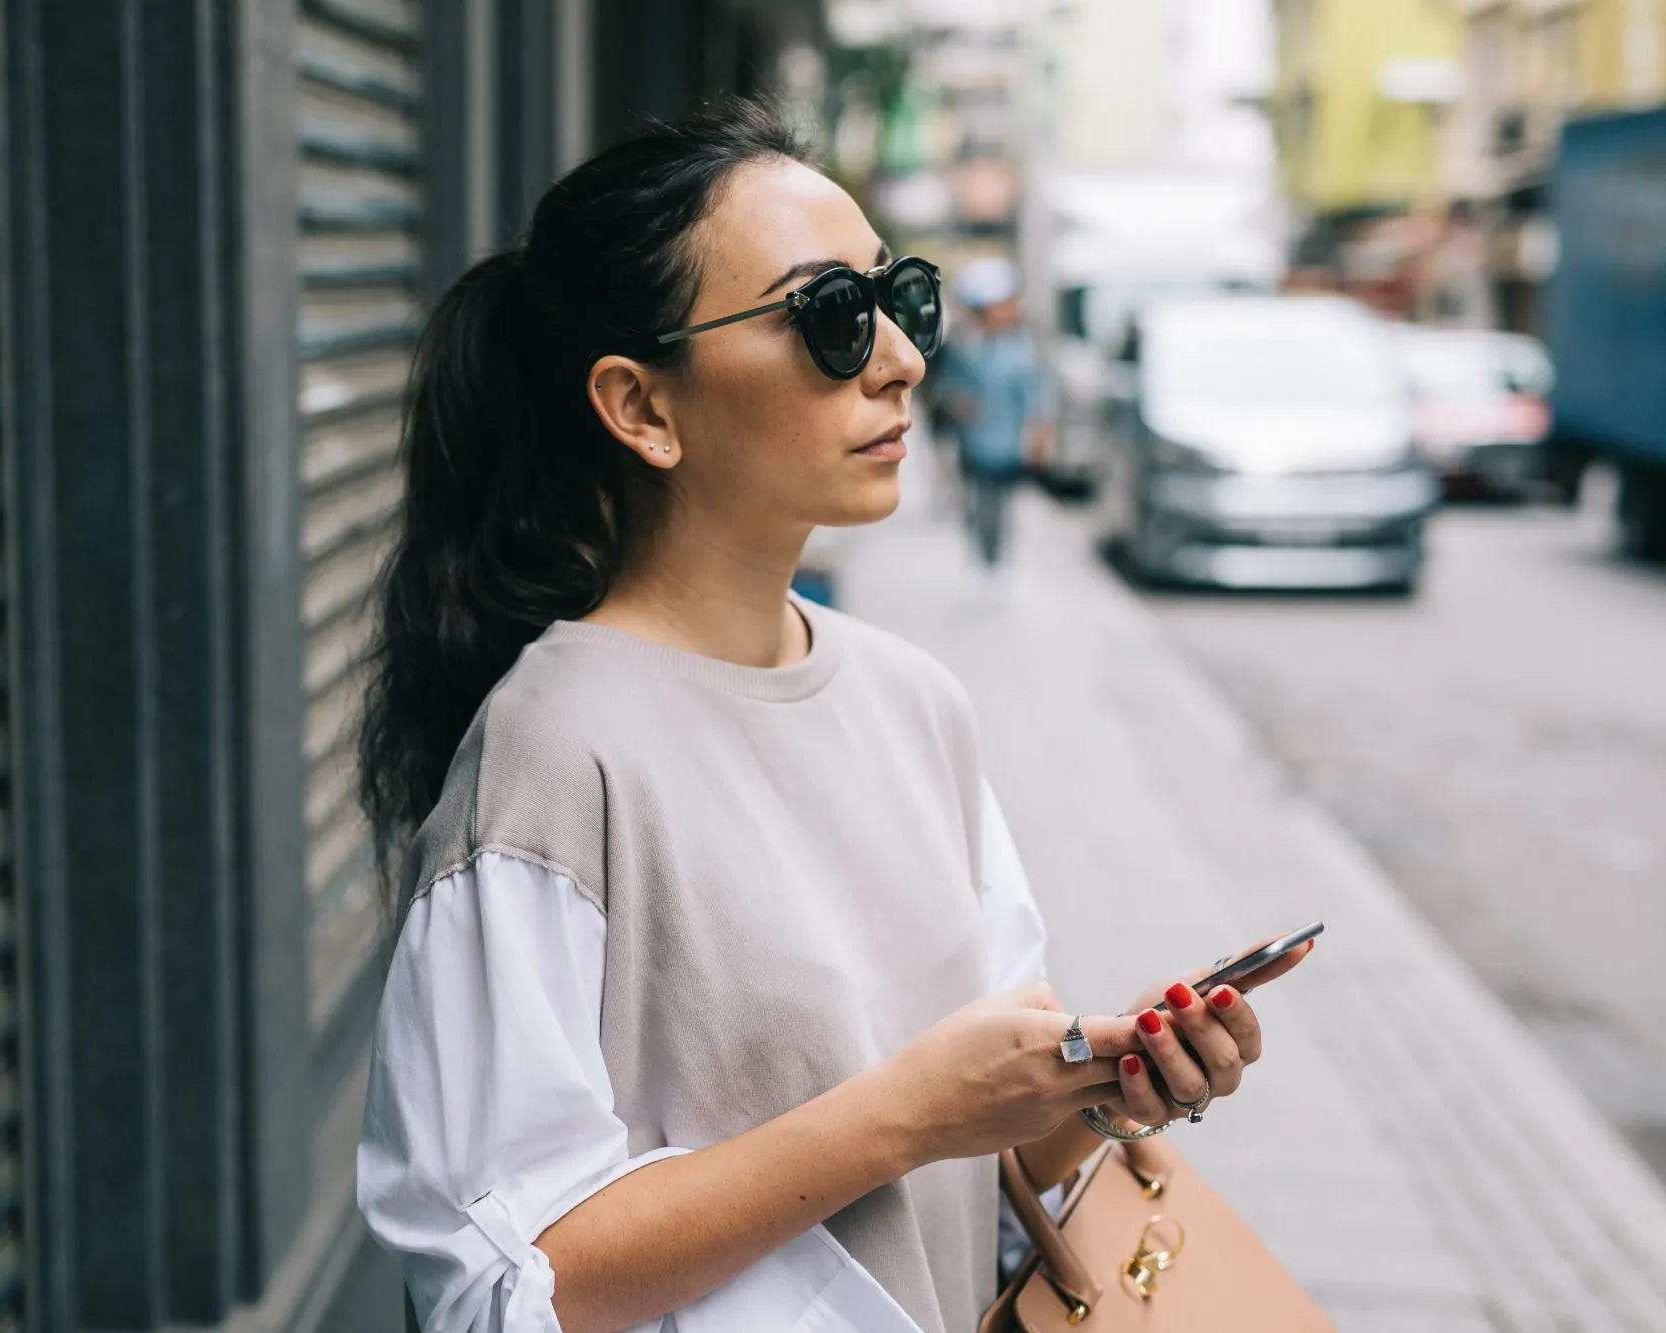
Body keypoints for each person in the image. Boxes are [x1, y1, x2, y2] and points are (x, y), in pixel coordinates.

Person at [356, 100, 1307, 1333]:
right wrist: (906, 1109)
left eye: (898, 299)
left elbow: (971, 1190)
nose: (902, 358)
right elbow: (507, 1288)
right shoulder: (550, 755)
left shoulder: (916, 702)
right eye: (828, 317)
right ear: (641, 406)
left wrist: (1102, 1092)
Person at [930, 257, 1050, 568]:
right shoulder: (963, 344)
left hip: (1006, 446)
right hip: (973, 444)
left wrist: (1037, 434)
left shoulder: (1021, 348)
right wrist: (958, 404)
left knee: (999, 506)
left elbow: (1036, 395)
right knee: (976, 503)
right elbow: (946, 388)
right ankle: (981, 556)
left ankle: (993, 558)